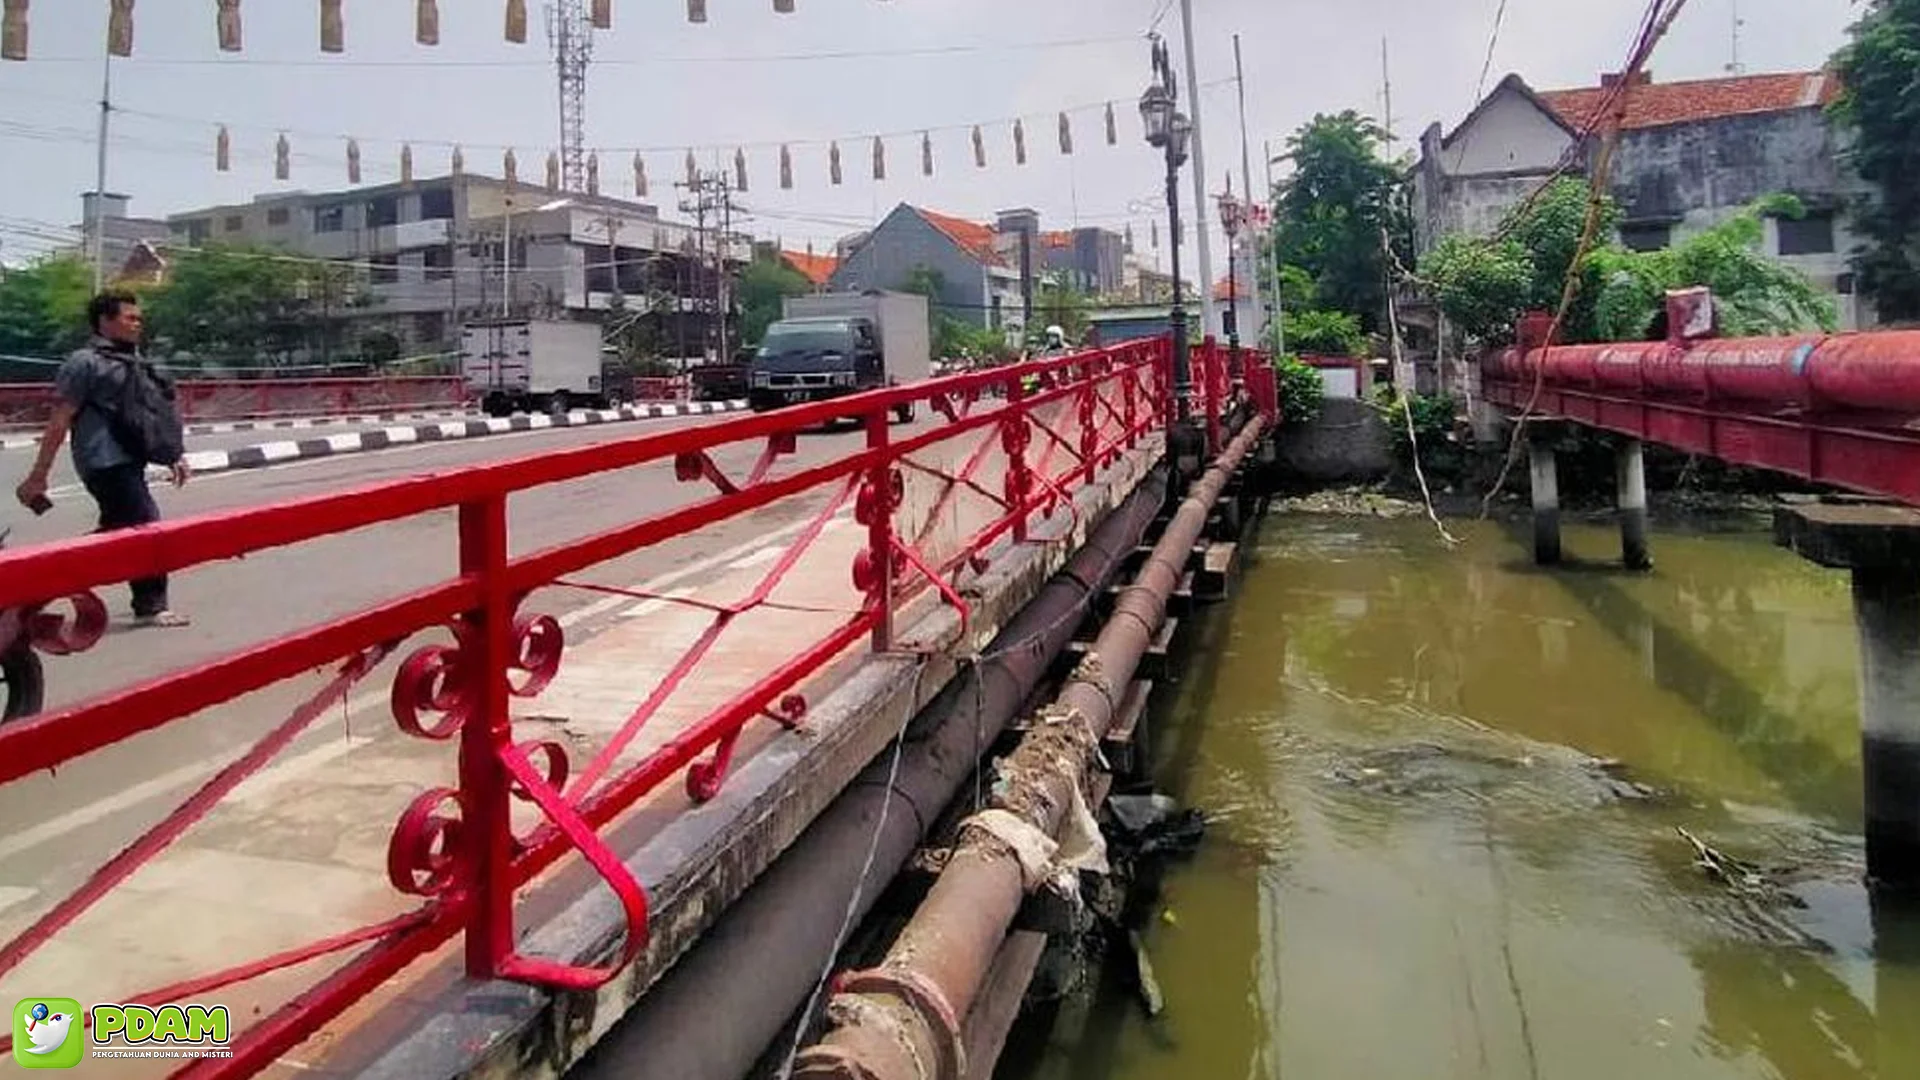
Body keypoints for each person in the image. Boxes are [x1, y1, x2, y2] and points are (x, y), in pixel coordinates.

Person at [15, 291, 190, 628]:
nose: (137, 324)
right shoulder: (84, 363)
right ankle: (150, 605)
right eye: (129, 318)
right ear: (105, 321)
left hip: (130, 460)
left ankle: (28, 584)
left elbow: (151, 416)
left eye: (139, 318)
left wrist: (173, 454)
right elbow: (60, 419)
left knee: (118, 531)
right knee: (147, 526)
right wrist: (39, 475)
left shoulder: (135, 362)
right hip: (103, 461)